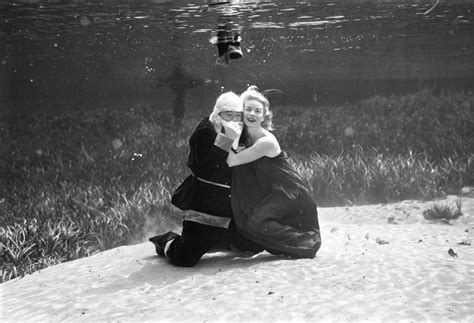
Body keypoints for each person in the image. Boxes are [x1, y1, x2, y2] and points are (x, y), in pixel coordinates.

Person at [149, 91, 263, 267]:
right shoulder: (204, 132)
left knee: (255, 247)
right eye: (228, 114)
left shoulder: (242, 131)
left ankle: (219, 239)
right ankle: (167, 240)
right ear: (218, 114)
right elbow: (205, 171)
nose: (233, 119)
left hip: (232, 205)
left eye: (237, 115)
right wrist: (225, 139)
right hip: (205, 205)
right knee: (184, 259)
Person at [227, 86, 322, 259]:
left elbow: (232, 160)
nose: (252, 114)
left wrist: (232, 133)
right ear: (241, 112)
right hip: (276, 191)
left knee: (256, 222)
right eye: (248, 109)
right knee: (249, 223)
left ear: (264, 116)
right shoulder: (245, 137)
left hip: (289, 192)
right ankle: (285, 246)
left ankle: (306, 243)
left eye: (257, 111)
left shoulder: (266, 141)